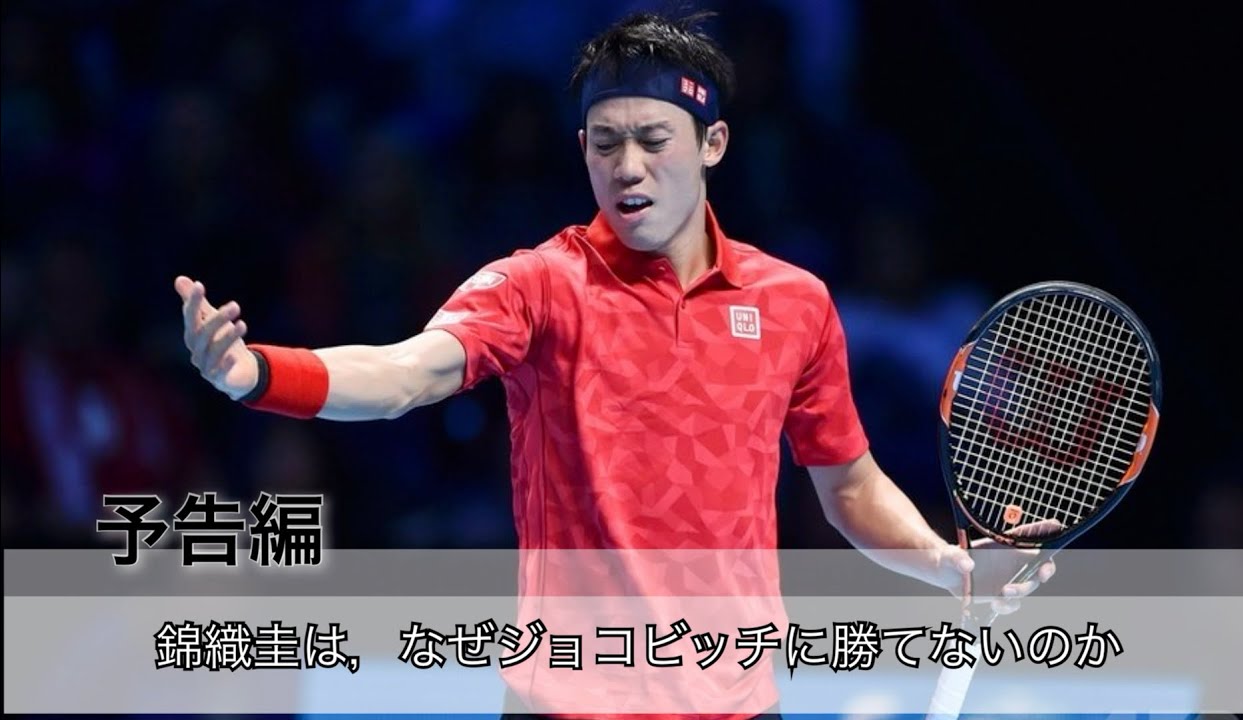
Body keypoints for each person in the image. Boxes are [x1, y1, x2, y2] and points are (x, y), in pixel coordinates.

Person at [175, 10, 1055, 718]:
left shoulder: (795, 303)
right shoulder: (539, 285)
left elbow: (849, 487)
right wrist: (255, 374)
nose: (627, 167)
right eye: (604, 143)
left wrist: (947, 565)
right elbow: (408, 374)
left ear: (712, 144)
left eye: (653, 139)